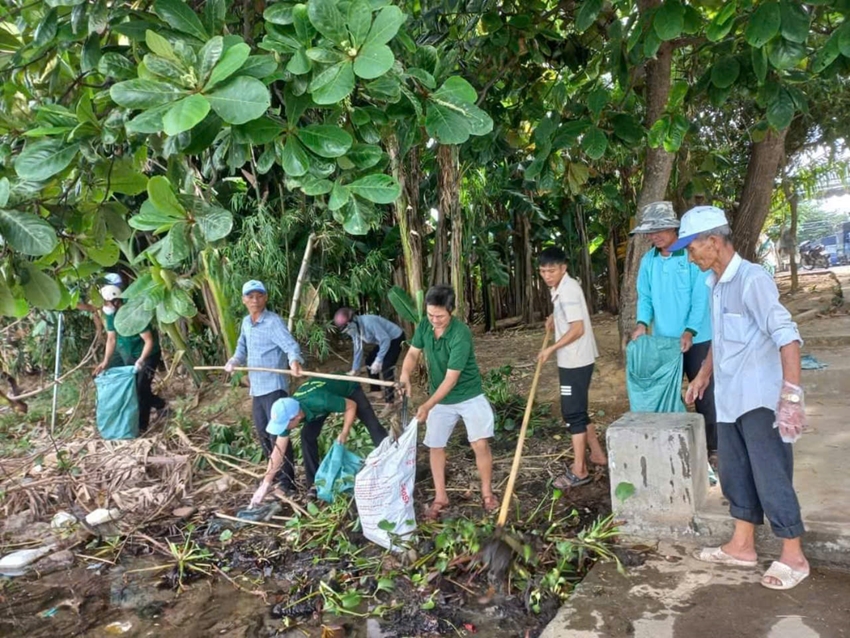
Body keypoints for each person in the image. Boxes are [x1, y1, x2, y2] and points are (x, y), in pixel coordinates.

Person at [673, 205, 810, 591]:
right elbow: (720, 337)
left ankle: (793, 555)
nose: (689, 255)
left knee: (771, 476)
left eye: (692, 247)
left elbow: (788, 336)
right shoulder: (714, 284)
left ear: (713, 242)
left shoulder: (752, 280)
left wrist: (792, 397)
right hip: (730, 400)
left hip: (761, 401)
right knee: (736, 475)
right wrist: (702, 376)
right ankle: (742, 546)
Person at [398, 285, 497, 520]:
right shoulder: (424, 326)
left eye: (439, 316)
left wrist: (427, 405)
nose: (434, 320)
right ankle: (441, 496)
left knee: (479, 444)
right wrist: (404, 375)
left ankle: (487, 493)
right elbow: (413, 354)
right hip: (440, 398)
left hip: (469, 395)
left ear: (451, 311)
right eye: (430, 315)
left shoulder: (460, 333)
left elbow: (451, 380)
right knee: (435, 445)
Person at [629, 201, 717, 460]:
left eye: (659, 230)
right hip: (663, 341)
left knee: (704, 393)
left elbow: (700, 298)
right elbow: (644, 296)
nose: (654, 236)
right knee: (665, 392)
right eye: (650, 231)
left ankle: (713, 448)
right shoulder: (649, 260)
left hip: (698, 337)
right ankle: (672, 444)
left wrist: (689, 331)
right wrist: (642, 323)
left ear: (673, 227)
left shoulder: (690, 256)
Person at [537, 247, 607, 489]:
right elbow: (568, 317)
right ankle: (597, 454)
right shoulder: (560, 288)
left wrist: (551, 348)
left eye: (552, 270)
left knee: (572, 414)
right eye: (543, 271)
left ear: (563, 268)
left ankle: (580, 470)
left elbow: (578, 329)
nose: (547, 275)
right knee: (579, 408)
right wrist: (554, 318)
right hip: (576, 359)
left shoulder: (567, 291)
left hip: (575, 361)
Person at [225, 280, 304, 494]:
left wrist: (294, 362)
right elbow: (242, 347)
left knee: (278, 435)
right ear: (244, 300)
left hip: (274, 388)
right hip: (257, 389)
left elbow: (290, 345)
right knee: (263, 434)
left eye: (259, 295)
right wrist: (234, 361)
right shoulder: (246, 323)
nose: (255, 300)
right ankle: (276, 475)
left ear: (265, 298)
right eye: (250, 296)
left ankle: (288, 484)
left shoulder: (273, 322)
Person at [294, 377, 387, 498]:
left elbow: (351, 405)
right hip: (325, 397)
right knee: (306, 436)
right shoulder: (290, 406)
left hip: (348, 388)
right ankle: (314, 484)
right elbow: (281, 441)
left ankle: (389, 459)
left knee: (372, 424)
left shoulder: (321, 401)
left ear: (297, 416)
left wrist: (344, 432)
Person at [93, 285, 167, 432]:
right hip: (129, 352)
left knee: (141, 388)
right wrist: (106, 361)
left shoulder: (133, 313)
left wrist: (141, 359)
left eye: (106, 302)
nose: (104, 306)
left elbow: (149, 341)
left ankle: (142, 426)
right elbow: (111, 339)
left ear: (115, 301)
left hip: (148, 353)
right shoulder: (111, 314)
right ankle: (160, 404)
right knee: (134, 389)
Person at [333, 308, 405, 406]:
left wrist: (379, 360)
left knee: (386, 366)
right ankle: (376, 391)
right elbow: (358, 347)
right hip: (384, 340)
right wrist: (355, 369)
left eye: (348, 328)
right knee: (369, 361)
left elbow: (385, 340)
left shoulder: (369, 323)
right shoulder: (355, 329)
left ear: (352, 320)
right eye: (346, 331)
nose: (348, 332)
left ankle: (390, 402)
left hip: (395, 338)